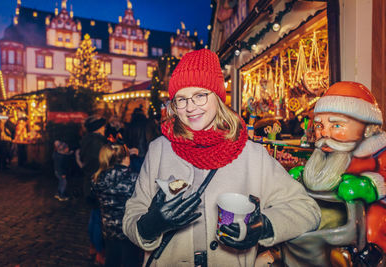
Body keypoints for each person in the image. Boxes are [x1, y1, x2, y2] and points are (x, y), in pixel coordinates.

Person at [122, 49, 321, 266]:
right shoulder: (159, 150)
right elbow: (132, 213)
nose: (190, 107)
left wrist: (264, 226)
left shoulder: (251, 155)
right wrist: (150, 226)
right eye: (181, 99)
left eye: (200, 95)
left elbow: (307, 210)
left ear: (217, 97)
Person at [287, 81, 386, 266]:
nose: (324, 132)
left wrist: (371, 185)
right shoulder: (325, 152)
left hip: (362, 229)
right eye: (319, 125)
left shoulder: (378, 152)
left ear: (366, 127)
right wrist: (304, 176)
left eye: (337, 126)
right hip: (323, 224)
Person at [92, 142, 143, 267]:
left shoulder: (97, 178)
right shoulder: (134, 178)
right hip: (129, 230)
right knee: (130, 261)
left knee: (112, 260)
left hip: (109, 229)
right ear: (125, 158)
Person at [80, 115, 108, 265]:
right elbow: (104, 162)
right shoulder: (99, 143)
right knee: (98, 218)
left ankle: (92, 246)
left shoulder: (86, 140)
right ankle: (99, 252)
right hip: (97, 183)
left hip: (88, 182)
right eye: (102, 127)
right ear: (98, 128)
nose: (104, 129)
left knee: (94, 216)